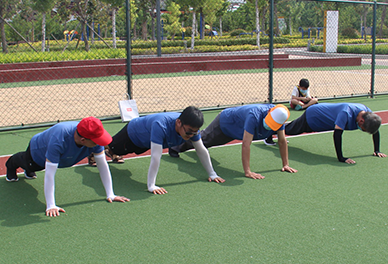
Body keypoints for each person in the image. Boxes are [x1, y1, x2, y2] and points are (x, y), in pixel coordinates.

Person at [5, 116, 129, 216]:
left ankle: (28, 170)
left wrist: (110, 194)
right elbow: (49, 174)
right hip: (38, 151)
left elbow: (102, 166)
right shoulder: (59, 139)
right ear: (83, 140)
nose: (100, 143)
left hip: (65, 157)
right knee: (32, 166)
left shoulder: (93, 139)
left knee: (33, 168)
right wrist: (51, 205)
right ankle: (11, 165)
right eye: (97, 141)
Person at [105, 106, 225, 194]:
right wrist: (151, 185)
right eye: (189, 132)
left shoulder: (191, 131)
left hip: (145, 142)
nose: (191, 135)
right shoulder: (161, 125)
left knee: (125, 152)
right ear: (178, 122)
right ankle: (97, 153)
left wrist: (212, 174)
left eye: (195, 132)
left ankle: (112, 153)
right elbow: (156, 157)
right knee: (111, 146)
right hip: (133, 133)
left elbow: (201, 150)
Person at [169, 104, 297, 180]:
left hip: (236, 130)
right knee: (203, 139)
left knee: (207, 143)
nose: (269, 126)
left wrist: (285, 164)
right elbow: (246, 144)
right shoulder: (254, 115)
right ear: (269, 113)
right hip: (225, 123)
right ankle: (174, 147)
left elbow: (282, 141)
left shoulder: (279, 118)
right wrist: (248, 171)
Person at [283, 102, 386, 164]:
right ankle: (274, 131)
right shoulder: (346, 112)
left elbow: (375, 131)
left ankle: (276, 130)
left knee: (290, 128)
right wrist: (341, 158)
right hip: (314, 117)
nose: (363, 130)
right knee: (290, 130)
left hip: (324, 123)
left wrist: (377, 150)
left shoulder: (368, 113)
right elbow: (337, 134)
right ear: (361, 121)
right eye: (363, 129)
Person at [265, 78, 318, 146]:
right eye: (303, 88)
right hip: (297, 102)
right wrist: (302, 99)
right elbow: (293, 97)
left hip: (303, 103)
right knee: (288, 124)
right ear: (300, 86)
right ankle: (273, 135)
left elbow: (309, 96)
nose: (304, 90)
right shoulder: (296, 88)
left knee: (315, 100)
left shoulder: (307, 89)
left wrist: (308, 98)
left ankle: (303, 107)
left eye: (306, 89)